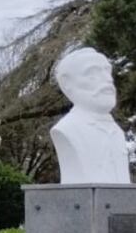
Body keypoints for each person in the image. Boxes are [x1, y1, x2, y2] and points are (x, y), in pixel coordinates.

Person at [50, 47, 130, 184]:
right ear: (67, 83)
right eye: (92, 73)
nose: (107, 80)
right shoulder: (68, 129)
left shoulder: (117, 131)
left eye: (107, 71)